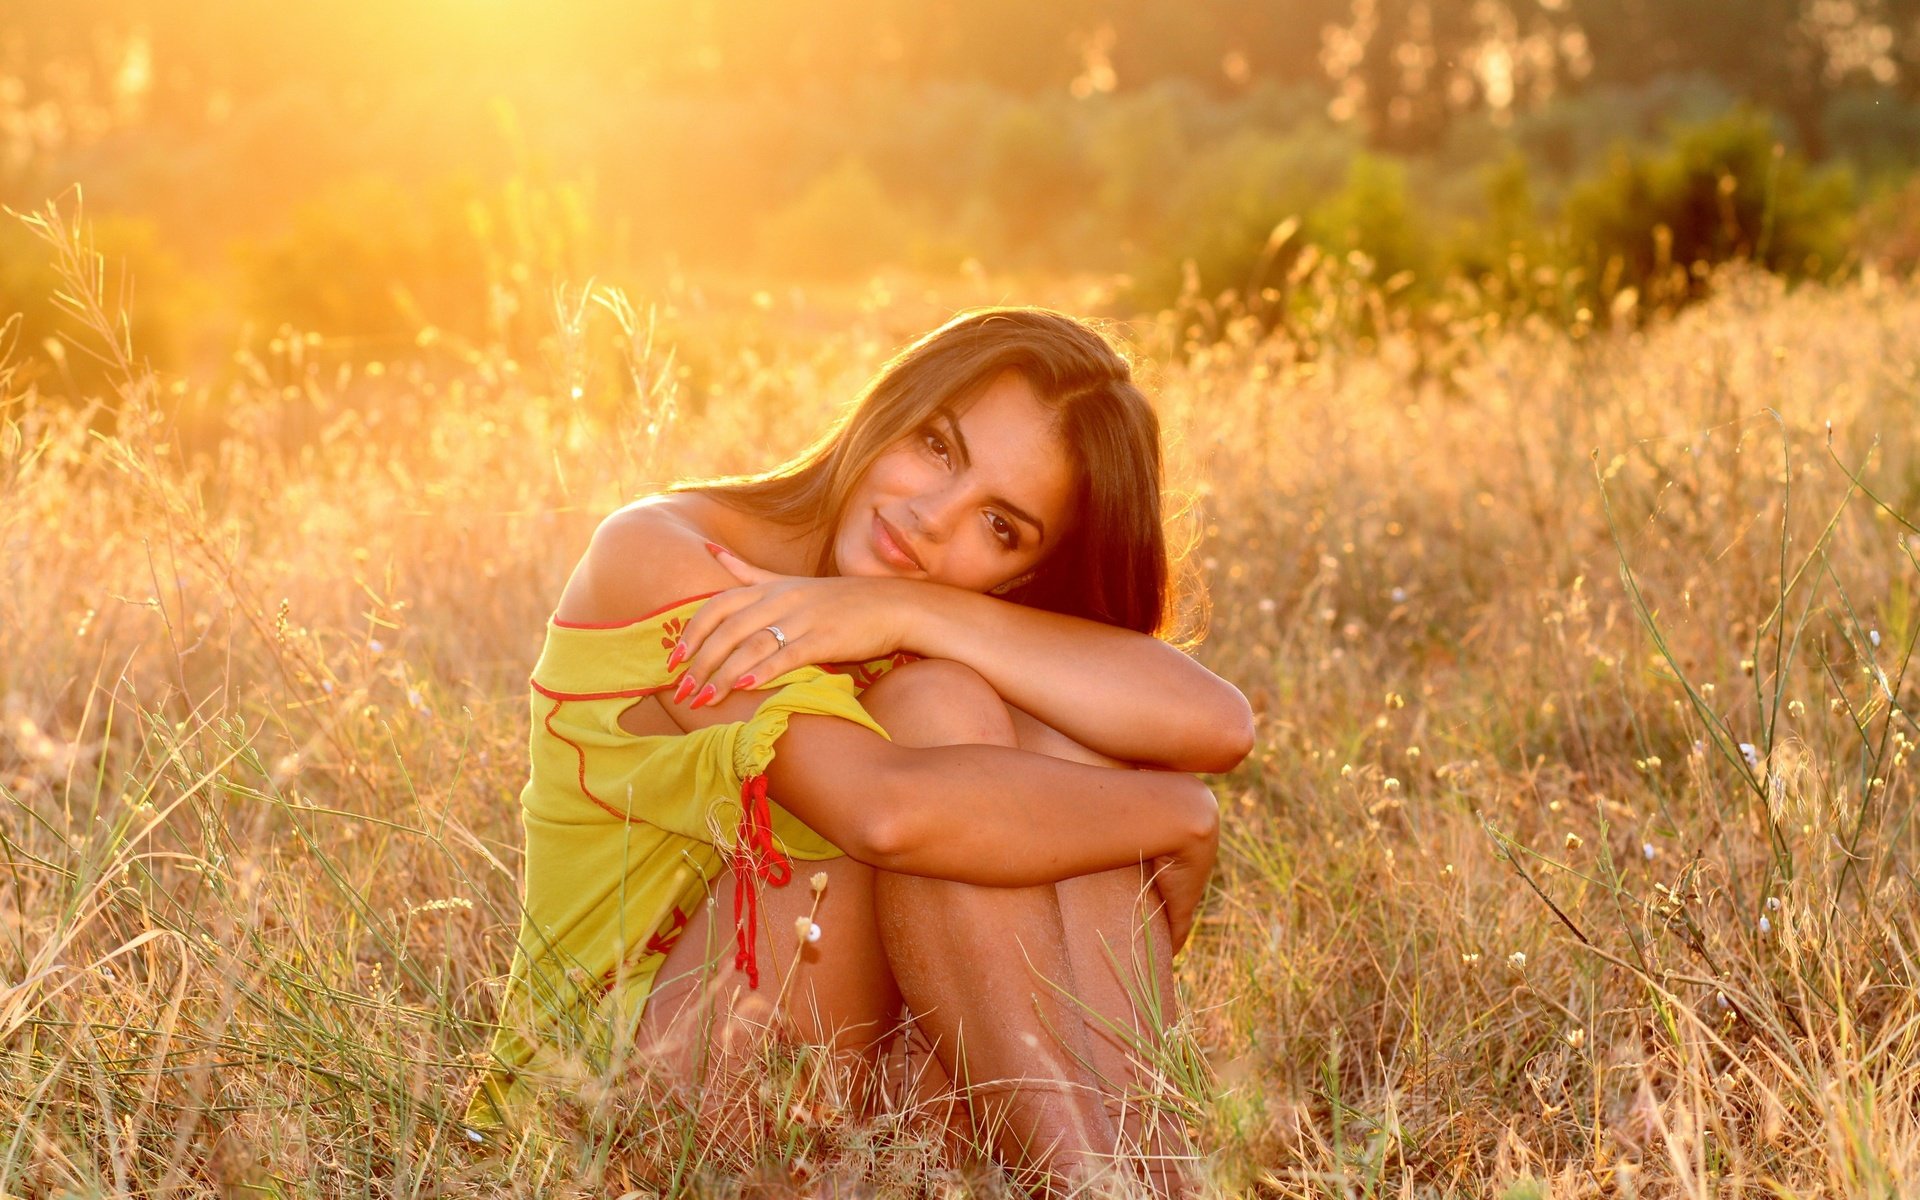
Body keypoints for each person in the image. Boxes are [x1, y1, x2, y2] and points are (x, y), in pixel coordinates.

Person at [469, 307, 1253, 1190]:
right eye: (937, 446)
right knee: (950, 729)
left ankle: (1140, 1178)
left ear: (1024, 574)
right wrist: (1175, 814)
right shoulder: (670, 554)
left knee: (1056, 750)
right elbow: (884, 813)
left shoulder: (927, 607)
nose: (927, 517)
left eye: (1001, 527)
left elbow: (1219, 725)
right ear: (890, 405)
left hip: (872, 1098)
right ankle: (1091, 1181)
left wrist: (911, 610)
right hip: (633, 1116)